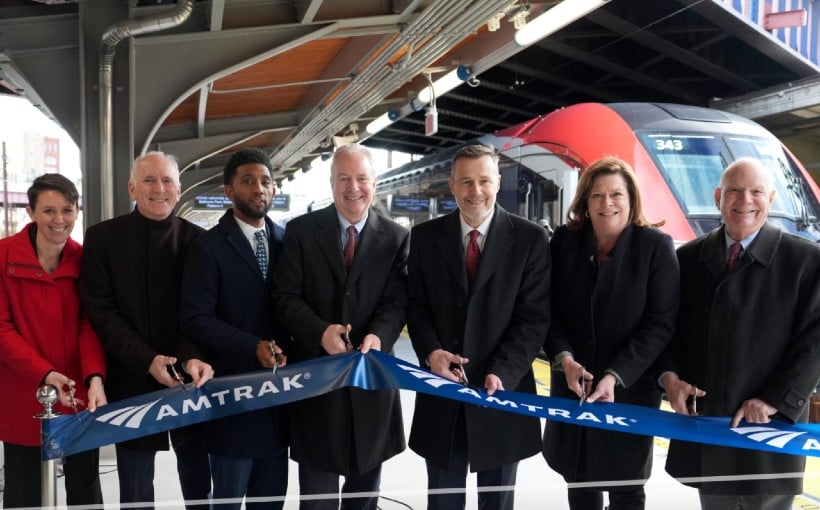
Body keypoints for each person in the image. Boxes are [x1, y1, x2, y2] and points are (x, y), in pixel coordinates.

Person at [660, 157, 820, 510]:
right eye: (734, 190)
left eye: (756, 192)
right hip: (710, 427)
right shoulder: (688, 258)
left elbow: (815, 342)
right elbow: (668, 330)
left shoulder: (806, 260)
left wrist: (775, 399)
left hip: (769, 429)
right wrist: (670, 378)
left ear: (771, 199)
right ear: (718, 196)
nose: (744, 200)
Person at [406, 144, 550, 510]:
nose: (475, 191)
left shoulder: (530, 239)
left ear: (498, 183)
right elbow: (416, 307)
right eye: (466, 182)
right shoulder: (424, 238)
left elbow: (533, 319)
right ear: (451, 186)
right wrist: (430, 352)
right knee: (443, 502)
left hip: (502, 394)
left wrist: (503, 371)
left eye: (484, 180)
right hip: (443, 392)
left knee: (497, 503)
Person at [272, 143, 408, 510]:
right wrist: (320, 332)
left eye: (361, 178)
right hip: (317, 384)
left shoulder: (396, 238)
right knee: (317, 497)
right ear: (331, 183)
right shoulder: (300, 232)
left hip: (372, 382)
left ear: (374, 184)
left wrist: (378, 335)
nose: (353, 187)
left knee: (365, 496)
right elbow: (284, 297)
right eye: (344, 178)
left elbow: (397, 302)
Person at [542, 157, 679, 510]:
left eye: (616, 194)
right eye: (597, 195)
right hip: (574, 386)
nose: (607, 203)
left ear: (632, 200)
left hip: (629, 391)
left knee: (626, 485)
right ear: (585, 202)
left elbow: (660, 323)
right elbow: (547, 311)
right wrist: (564, 358)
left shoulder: (655, 248)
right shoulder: (564, 242)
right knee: (579, 477)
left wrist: (615, 376)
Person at [80, 151, 213, 509]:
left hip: (189, 376)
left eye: (167, 180)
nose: (159, 188)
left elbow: (201, 311)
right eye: (149, 180)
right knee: (136, 490)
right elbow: (101, 312)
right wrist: (146, 359)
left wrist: (188, 359)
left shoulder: (200, 241)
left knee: (199, 481)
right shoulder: (103, 239)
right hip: (131, 377)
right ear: (132, 189)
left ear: (179, 189)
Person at [181, 148, 289, 509]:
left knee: (271, 501)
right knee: (228, 501)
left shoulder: (286, 243)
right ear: (229, 191)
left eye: (265, 182)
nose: (259, 188)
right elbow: (197, 318)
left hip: (279, 403)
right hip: (233, 402)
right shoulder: (208, 247)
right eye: (248, 181)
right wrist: (251, 345)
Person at [0, 174, 106, 508]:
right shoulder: (3, 258)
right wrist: (44, 373)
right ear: (31, 212)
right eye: (48, 211)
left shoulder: (87, 260)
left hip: (78, 393)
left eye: (67, 210)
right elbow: (1, 328)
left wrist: (95, 378)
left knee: (85, 489)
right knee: (24, 487)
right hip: (23, 389)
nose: (59, 220)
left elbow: (91, 326)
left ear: (77, 211)